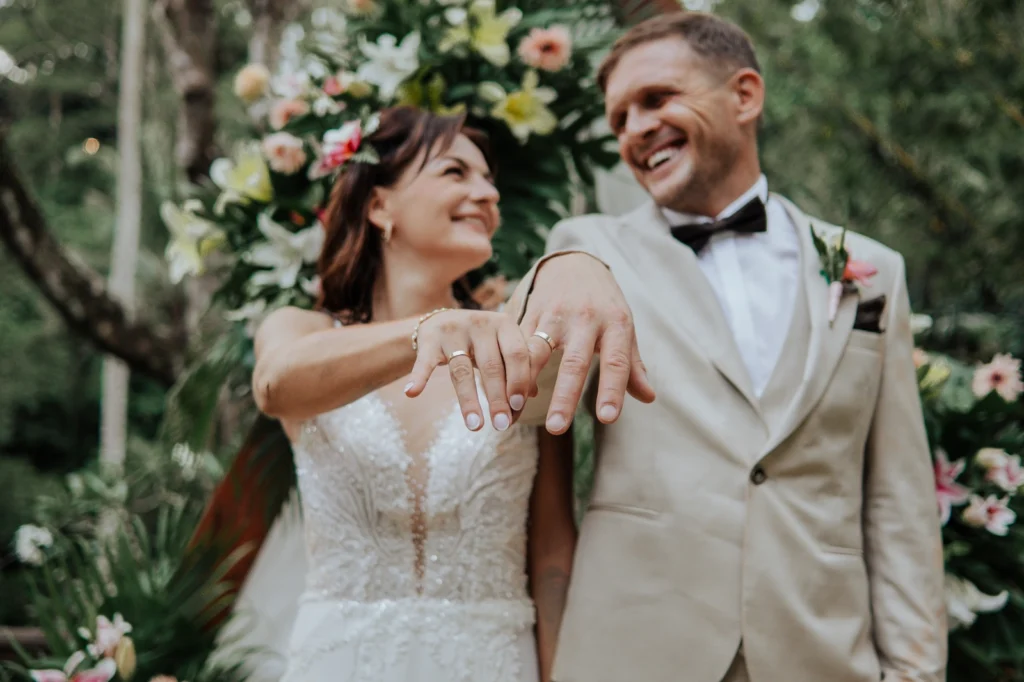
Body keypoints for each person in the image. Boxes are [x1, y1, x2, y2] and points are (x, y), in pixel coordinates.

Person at [503, 11, 947, 682]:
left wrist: (915, 672)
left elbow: (898, 502)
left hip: (820, 654)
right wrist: (557, 270)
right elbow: (527, 400)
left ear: (744, 95)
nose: (635, 130)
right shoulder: (587, 251)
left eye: (656, 99)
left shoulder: (874, 272)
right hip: (639, 654)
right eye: (620, 119)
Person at [249, 106, 577, 682]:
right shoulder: (301, 331)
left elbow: (552, 552)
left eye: (489, 180)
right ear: (379, 205)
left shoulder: (517, 348)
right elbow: (276, 386)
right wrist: (431, 329)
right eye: (456, 172)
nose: (488, 195)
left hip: (495, 663)